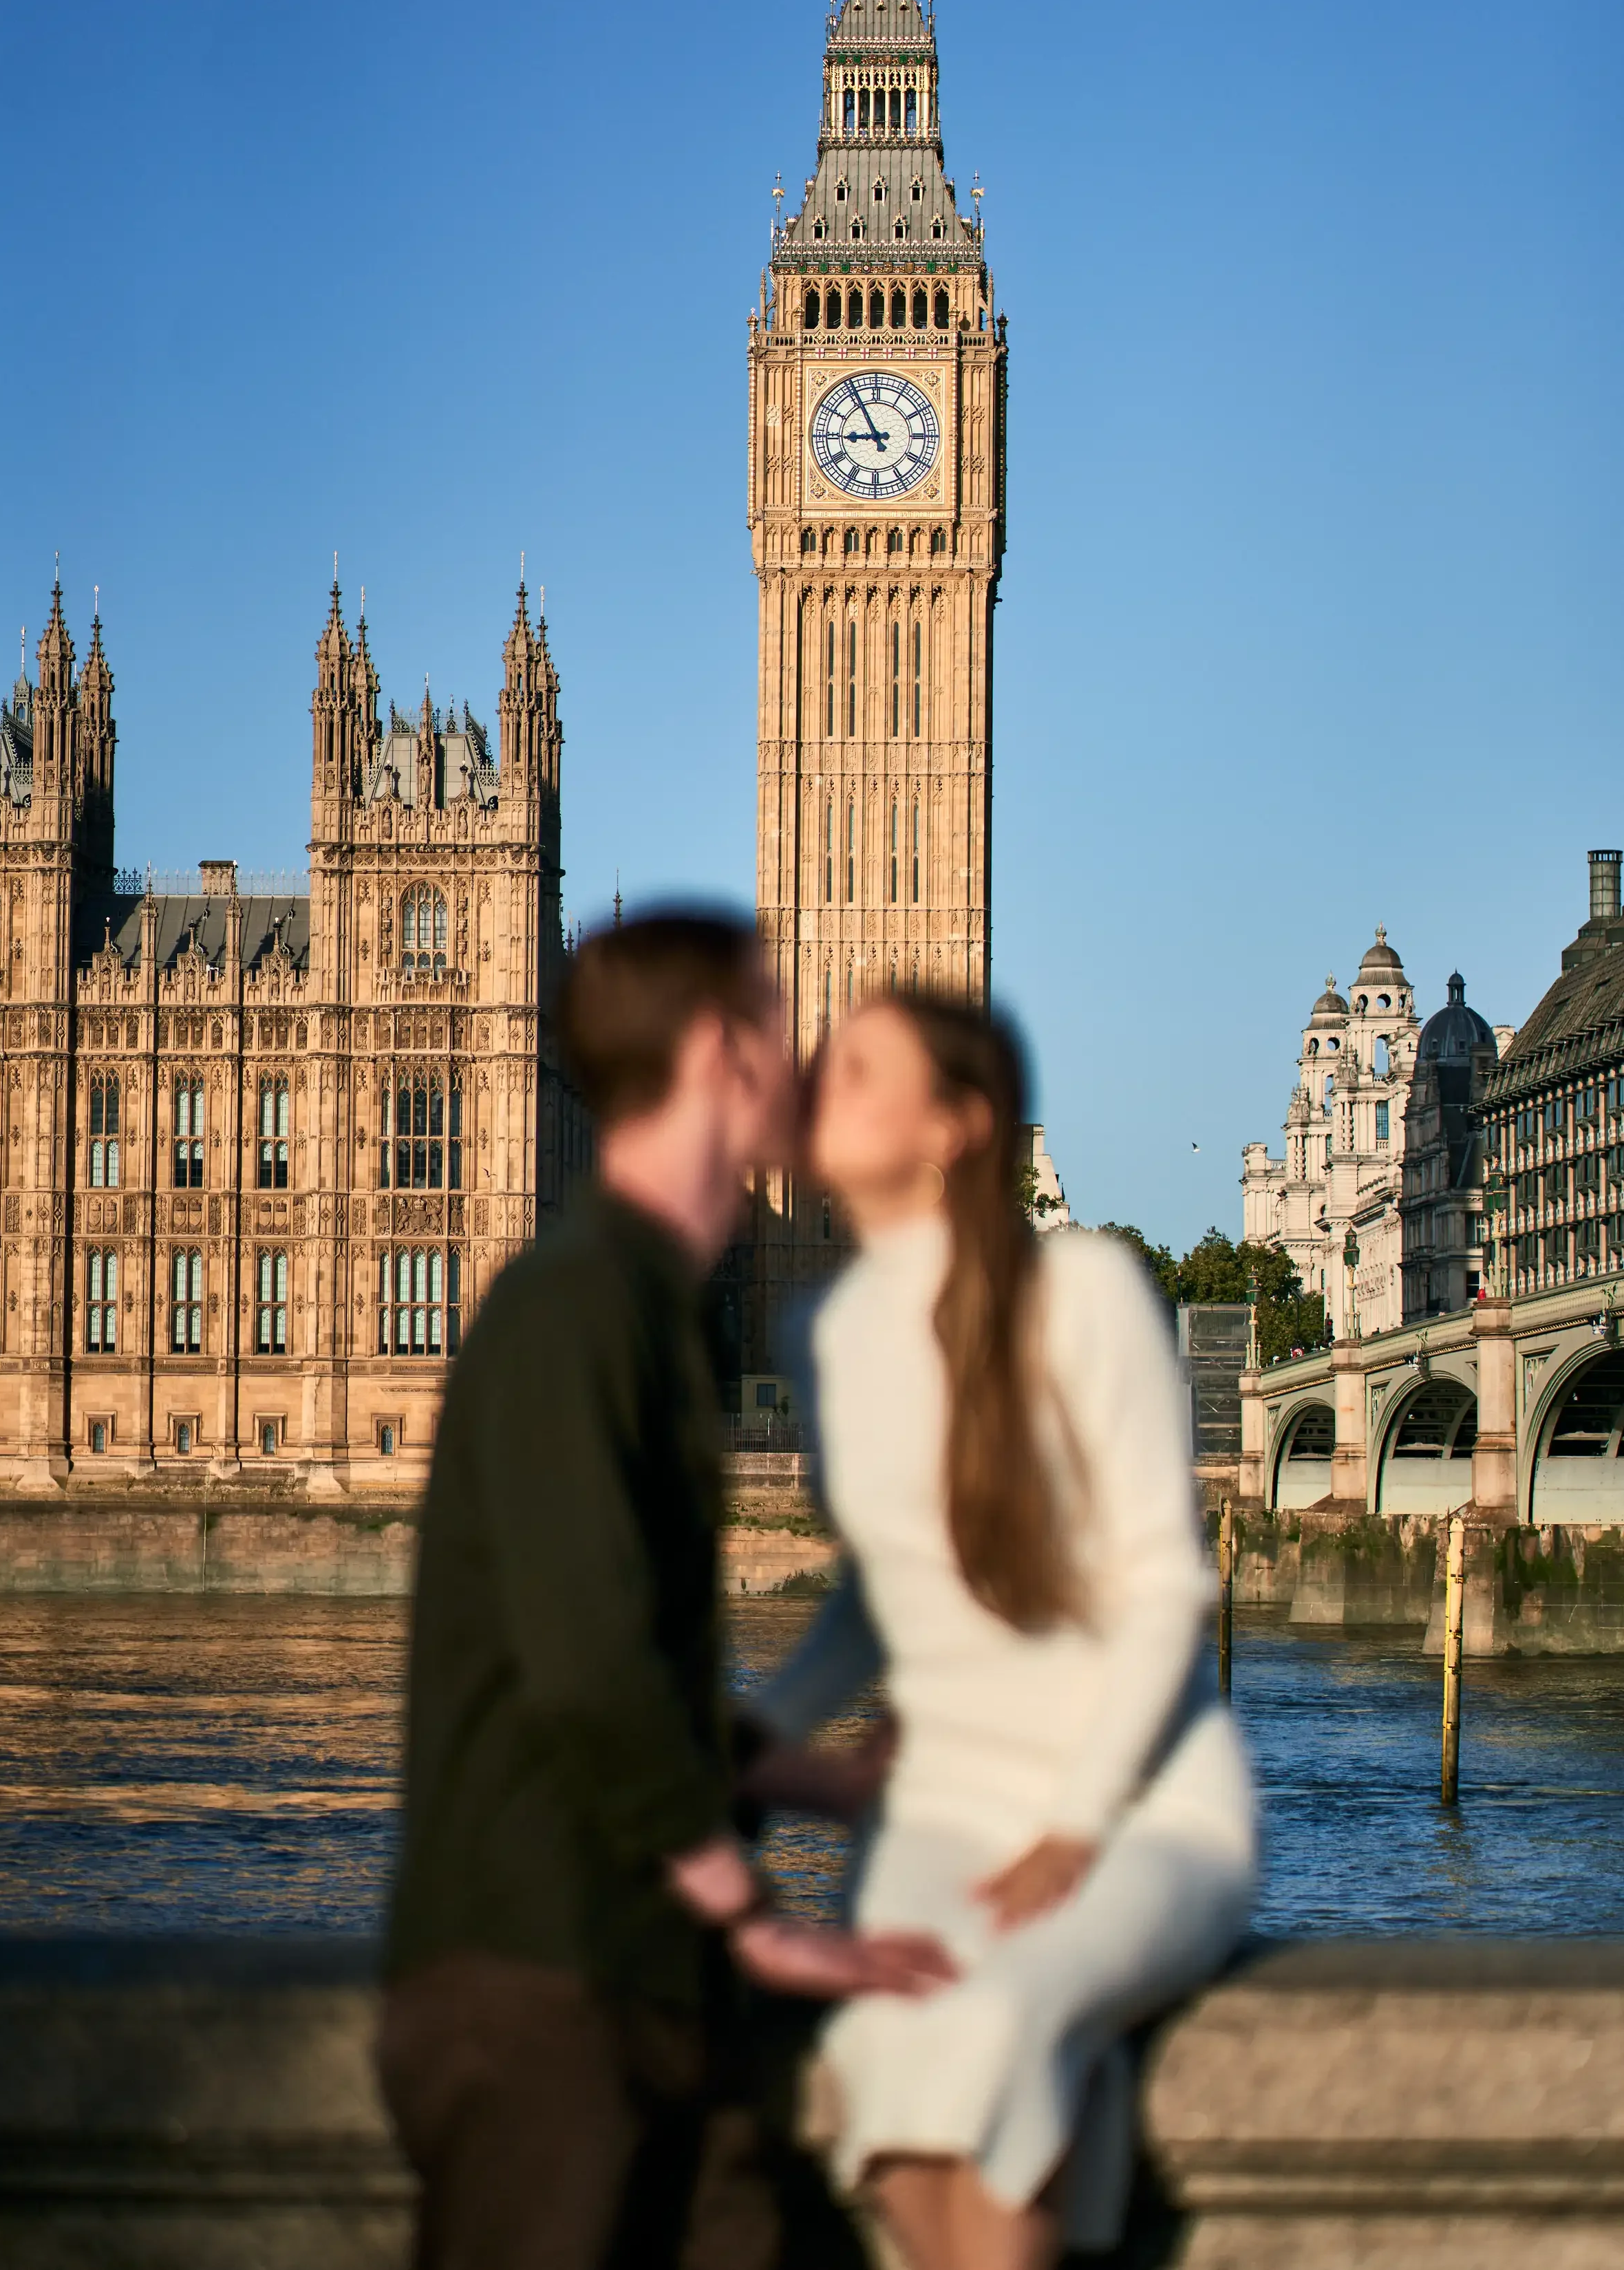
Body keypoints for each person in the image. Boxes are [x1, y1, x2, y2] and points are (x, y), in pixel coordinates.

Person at [378, 911, 945, 2270]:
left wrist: (821, 1784)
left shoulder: (639, 1299)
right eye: (772, 1017)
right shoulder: (573, 1304)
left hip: (640, 1973)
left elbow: (632, 1662)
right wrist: (751, 1913)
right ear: (714, 1053)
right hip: (542, 1983)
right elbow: (583, 1666)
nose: (796, 1052)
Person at [745, 992, 1258, 2270]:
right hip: (950, 1809)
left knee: (1004, 2012)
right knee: (879, 2068)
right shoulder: (829, 1329)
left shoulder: (1081, 1289)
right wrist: (764, 1724)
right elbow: (891, 1592)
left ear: (958, 1128)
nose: (825, 1083)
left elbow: (1164, 1588)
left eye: (863, 1070)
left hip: (1136, 1803)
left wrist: (1074, 1828)